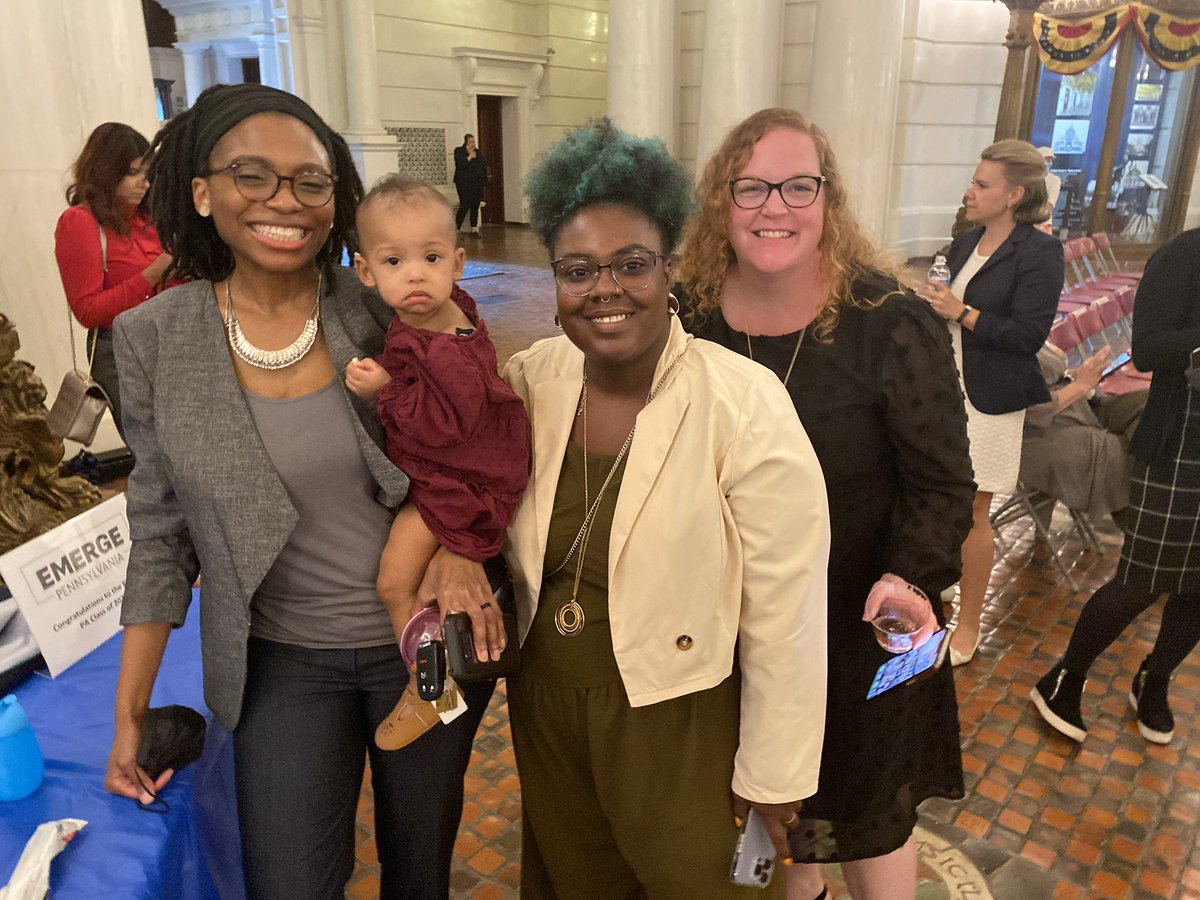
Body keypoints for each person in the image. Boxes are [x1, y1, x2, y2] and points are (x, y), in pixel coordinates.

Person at [102, 83, 495, 900]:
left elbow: (478, 433)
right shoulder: (154, 338)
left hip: (419, 639)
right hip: (279, 659)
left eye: (310, 181)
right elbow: (159, 528)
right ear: (203, 193)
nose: (284, 200)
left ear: (334, 201)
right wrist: (129, 707)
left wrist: (460, 548)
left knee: (419, 870)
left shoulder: (386, 307)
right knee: (289, 880)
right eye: (253, 175)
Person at [503, 118, 830, 898]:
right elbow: (460, 495)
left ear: (671, 270)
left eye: (631, 264)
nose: (604, 288)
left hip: (676, 717)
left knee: (691, 882)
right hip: (545, 701)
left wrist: (775, 769)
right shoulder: (526, 382)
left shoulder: (742, 401)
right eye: (577, 269)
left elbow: (787, 605)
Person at [679, 107, 975, 900]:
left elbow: (943, 484)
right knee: (788, 818)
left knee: (871, 818)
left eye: (797, 186)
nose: (775, 206)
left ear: (829, 199)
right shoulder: (688, 318)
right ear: (721, 203)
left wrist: (911, 578)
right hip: (741, 627)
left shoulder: (892, 324)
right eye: (751, 188)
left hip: (864, 622)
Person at [345, 174, 530, 750]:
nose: (415, 274)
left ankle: (428, 692)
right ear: (365, 272)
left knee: (393, 585)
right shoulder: (444, 316)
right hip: (457, 477)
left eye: (431, 257)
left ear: (458, 263)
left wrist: (385, 391)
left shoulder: (441, 342)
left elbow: (447, 424)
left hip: (455, 485)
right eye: (395, 261)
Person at [1031, 227, 1200, 746]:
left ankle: (1155, 677)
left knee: (1198, 589)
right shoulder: (1184, 253)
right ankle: (1065, 676)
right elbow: (1147, 349)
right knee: (1143, 579)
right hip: (1182, 440)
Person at [922, 139, 1062, 666]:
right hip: (945, 387)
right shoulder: (965, 242)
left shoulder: (1040, 252)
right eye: (973, 181)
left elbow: (1026, 336)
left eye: (982, 184)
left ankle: (970, 625)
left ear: (1014, 194)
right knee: (939, 494)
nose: (970, 191)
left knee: (975, 508)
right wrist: (931, 303)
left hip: (991, 397)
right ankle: (940, 590)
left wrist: (962, 312)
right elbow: (945, 298)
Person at [54, 123, 175, 432]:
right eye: (133, 173)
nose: (144, 183)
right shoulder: (79, 222)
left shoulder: (148, 218)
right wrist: (152, 274)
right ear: (107, 172)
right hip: (122, 350)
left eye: (147, 173)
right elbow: (88, 310)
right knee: (156, 453)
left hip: (172, 341)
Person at [1021, 343, 1146, 520]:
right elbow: (1023, 413)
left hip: (1077, 407)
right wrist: (1081, 385)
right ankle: (1148, 530)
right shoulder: (986, 339)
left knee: (1152, 412)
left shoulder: (1019, 325)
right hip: (1036, 434)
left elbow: (1050, 375)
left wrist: (1077, 375)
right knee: (1117, 460)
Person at [452, 133, 487, 235]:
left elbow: (482, 165)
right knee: (465, 205)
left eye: (474, 142)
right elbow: (461, 165)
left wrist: (484, 180)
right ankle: (456, 229)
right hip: (463, 183)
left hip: (476, 183)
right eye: (471, 142)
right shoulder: (459, 151)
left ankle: (474, 229)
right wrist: (470, 156)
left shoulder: (478, 152)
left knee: (475, 205)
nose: (473, 144)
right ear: (466, 142)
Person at [1038, 146, 1061, 233]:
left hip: (1043, 223)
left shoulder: (1054, 180)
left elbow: (1050, 203)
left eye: (1051, 160)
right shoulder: (1028, 177)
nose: (1049, 162)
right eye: (1047, 159)